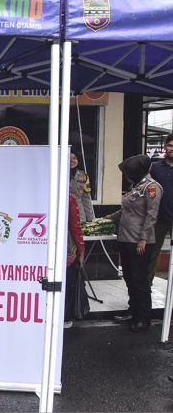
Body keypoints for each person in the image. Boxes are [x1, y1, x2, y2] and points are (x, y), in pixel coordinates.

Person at [105, 155, 161, 332]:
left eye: (128, 173)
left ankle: (143, 317)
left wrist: (143, 238)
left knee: (139, 279)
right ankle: (133, 310)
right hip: (125, 238)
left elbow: (152, 215)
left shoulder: (152, 187)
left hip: (139, 241)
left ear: (138, 171)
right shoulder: (136, 186)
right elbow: (126, 209)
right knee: (129, 277)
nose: (126, 176)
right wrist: (110, 217)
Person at [147, 133, 173, 285]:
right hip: (158, 218)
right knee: (152, 253)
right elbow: (147, 188)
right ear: (165, 147)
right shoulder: (155, 167)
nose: (172, 149)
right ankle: (146, 289)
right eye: (170, 145)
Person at [64, 194, 86, 328]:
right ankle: (65, 317)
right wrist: (81, 250)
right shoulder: (68, 199)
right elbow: (75, 226)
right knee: (67, 284)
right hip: (65, 248)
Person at [70, 151, 95, 223]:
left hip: (79, 214)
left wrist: (91, 219)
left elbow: (86, 198)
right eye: (69, 158)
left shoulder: (84, 176)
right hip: (63, 212)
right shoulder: (58, 174)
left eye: (74, 158)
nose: (72, 160)